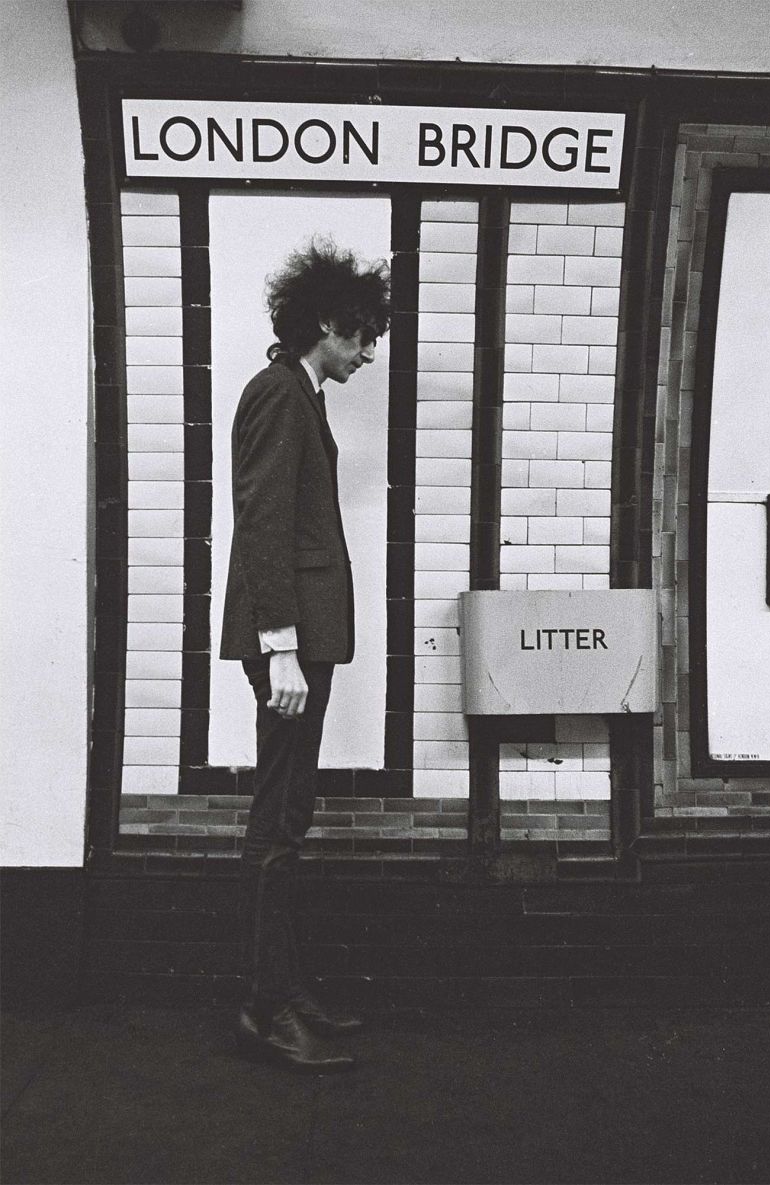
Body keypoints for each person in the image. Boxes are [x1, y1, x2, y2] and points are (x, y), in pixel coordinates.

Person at [220, 239, 391, 1071]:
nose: (369, 350)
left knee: (287, 815)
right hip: (289, 643)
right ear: (326, 322)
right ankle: (265, 1008)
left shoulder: (300, 393)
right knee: (277, 821)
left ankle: (282, 989)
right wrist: (280, 647)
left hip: (302, 640)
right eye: (362, 334)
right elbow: (260, 522)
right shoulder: (278, 394)